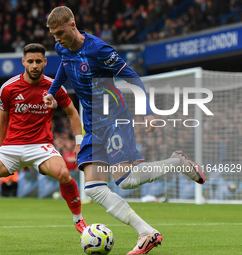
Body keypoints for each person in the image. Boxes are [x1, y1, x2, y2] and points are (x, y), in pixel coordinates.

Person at [44, 6, 206, 255]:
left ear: (73, 25)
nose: (56, 39)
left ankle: (177, 162)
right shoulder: (62, 48)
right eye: (53, 34)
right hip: (92, 124)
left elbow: (132, 76)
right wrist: (51, 93)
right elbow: (64, 67)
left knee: (125, 180)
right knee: (94, 188)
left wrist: (147, 111)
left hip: (113, 116)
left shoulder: (98, 50)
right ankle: (147, 233)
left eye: (59, 33)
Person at [0, 43, 87, 238]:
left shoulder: (54, 86)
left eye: (38, 61)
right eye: (30, 61)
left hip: (41, 146)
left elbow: (73, 114)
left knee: (63, 173)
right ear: (23, 62)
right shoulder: (8, 88)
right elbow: (2, 119)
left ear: (44, 62)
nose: (34, 65)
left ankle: (79, 221)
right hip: (12, 146)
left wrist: (78, 143)